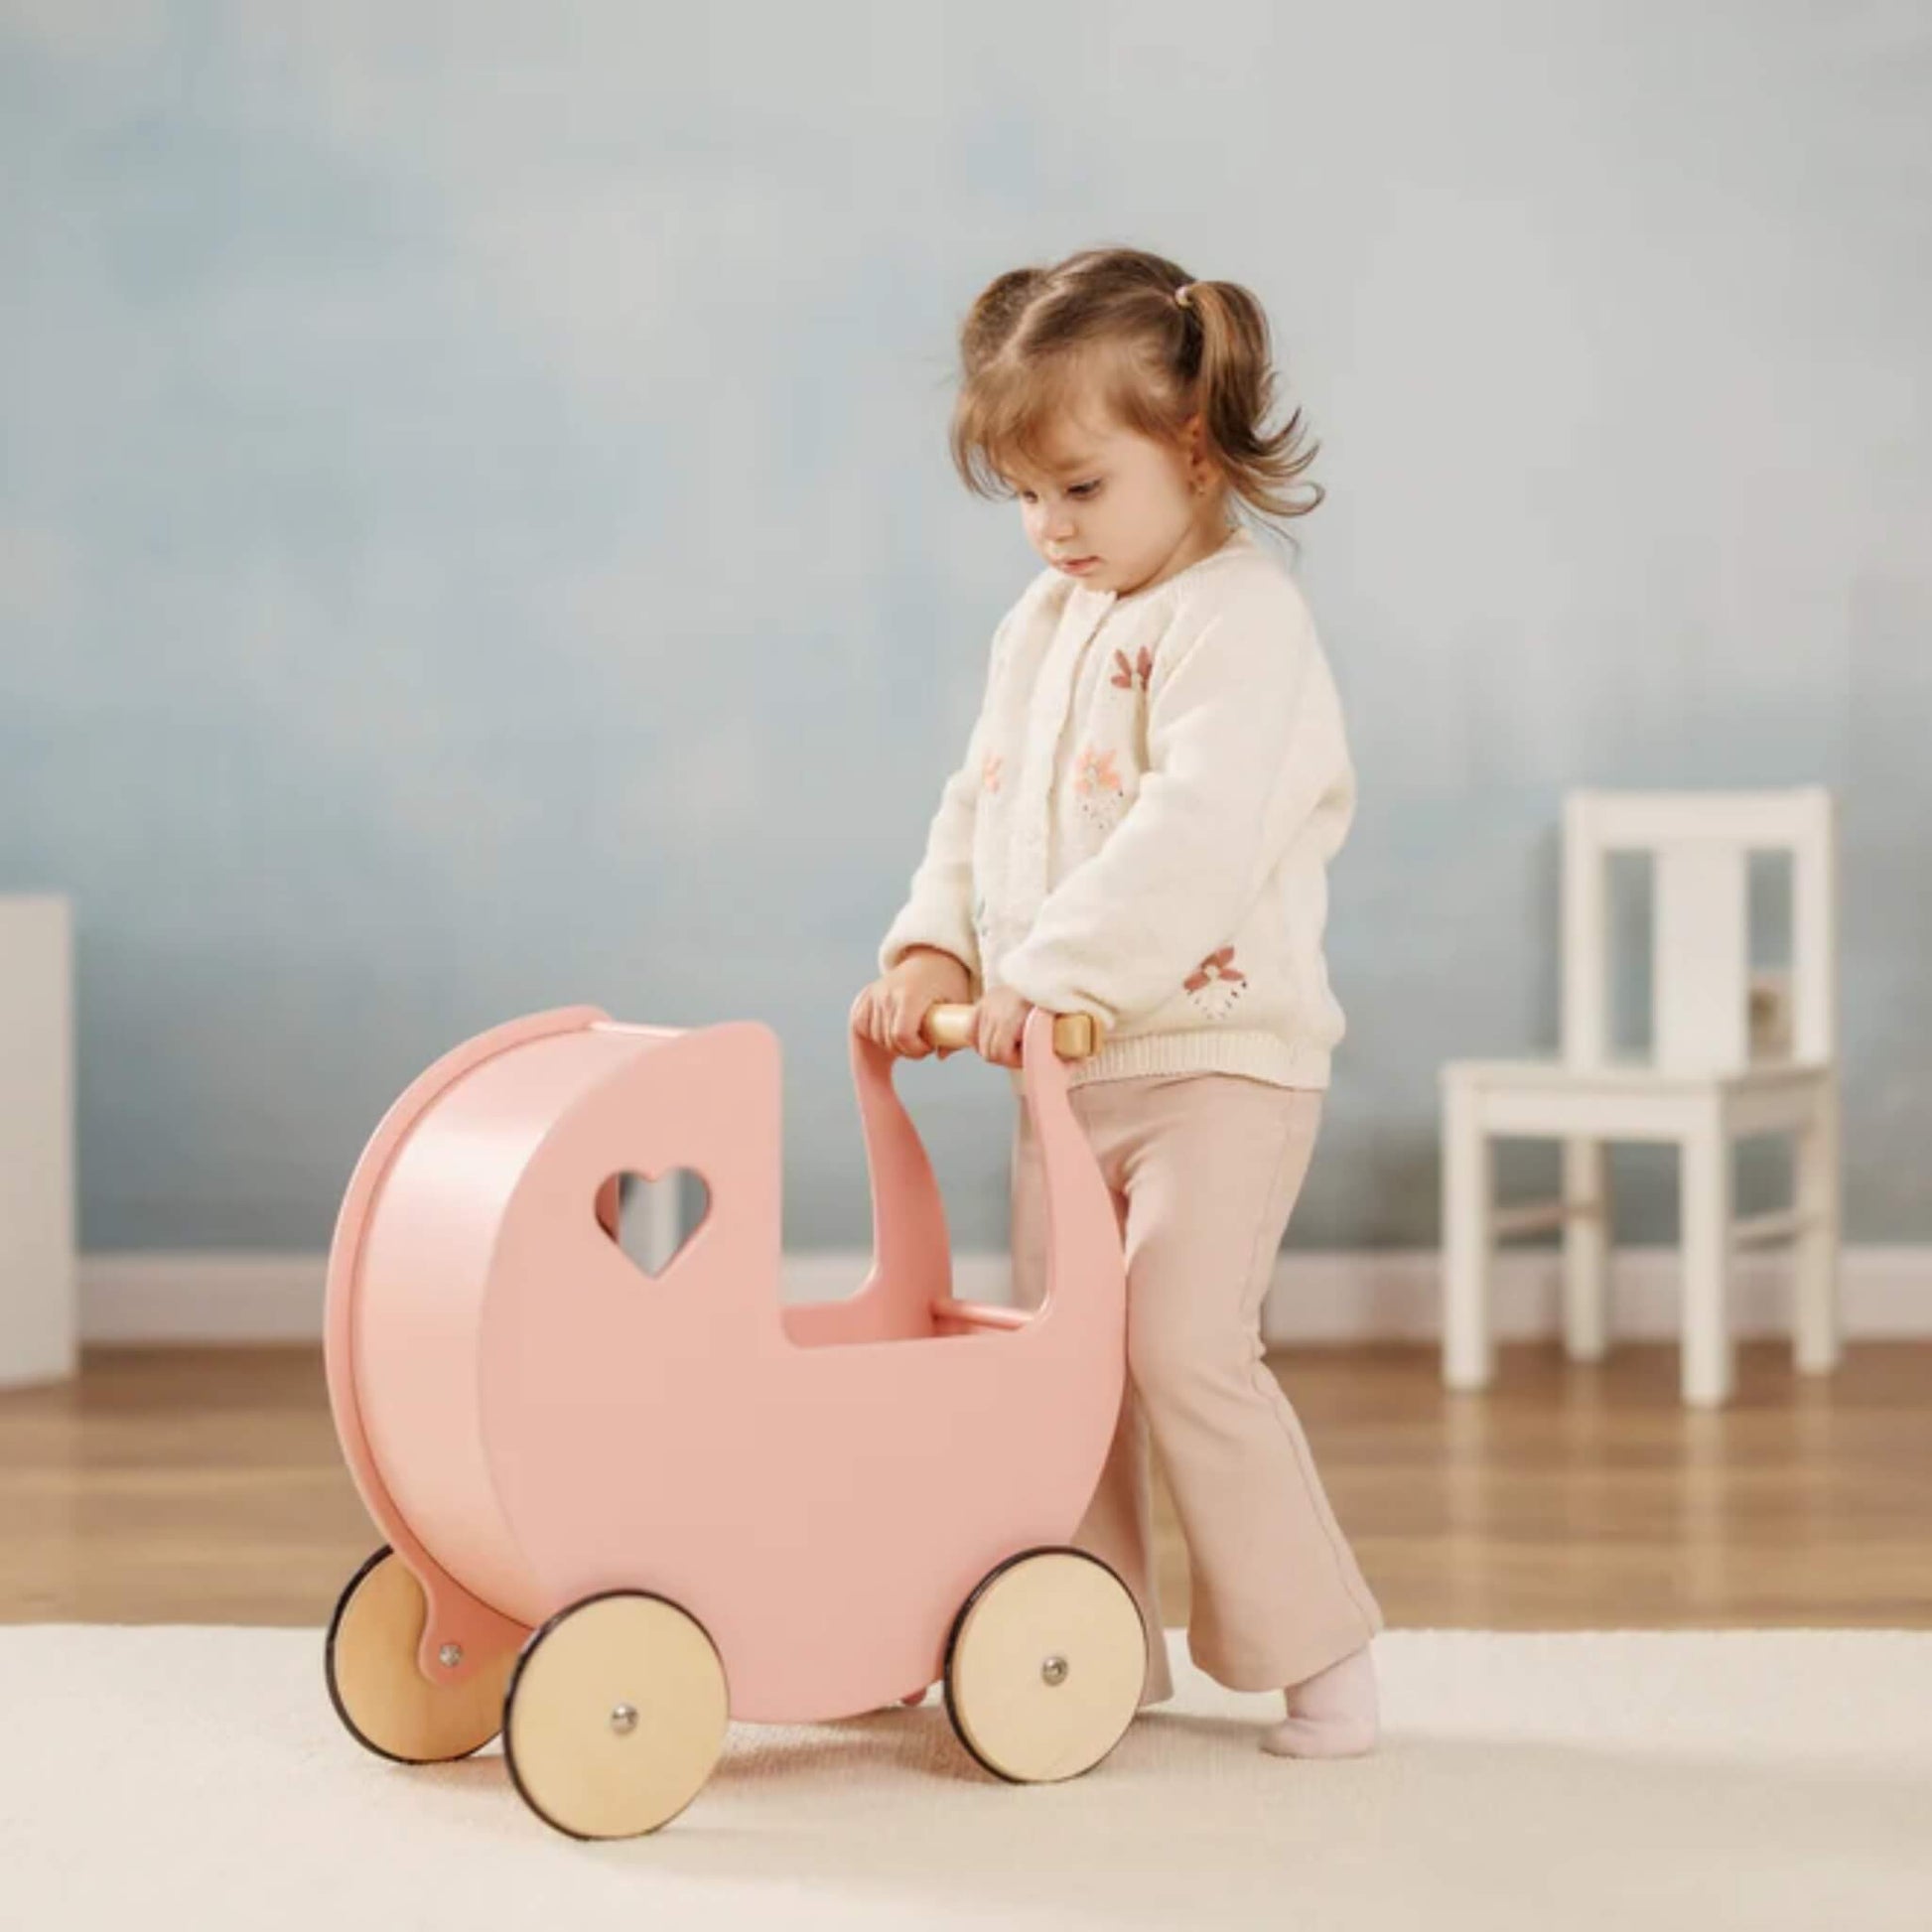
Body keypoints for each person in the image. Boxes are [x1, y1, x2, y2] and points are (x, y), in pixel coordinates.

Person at [850, 247, 1382, 1758]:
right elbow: (984, 800)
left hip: (1217, 1063)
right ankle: (1080, 1649)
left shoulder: (1240, 621)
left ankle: (1315, 1644)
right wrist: (937, 952)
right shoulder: (1040, 622)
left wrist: (1052, 976)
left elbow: (1195, 833)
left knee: (1180, 1345)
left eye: (1080, 488)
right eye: (1024, 496)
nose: (1047, 528)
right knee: (1062, 1362)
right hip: (1057, 1071)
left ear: (1192, 450)